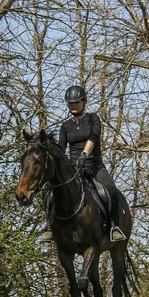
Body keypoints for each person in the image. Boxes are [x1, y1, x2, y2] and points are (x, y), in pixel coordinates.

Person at [52, 85, 126, 242]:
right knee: (50, 190)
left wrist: (84, 154)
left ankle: (114, 226)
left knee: (111, 189)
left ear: (84, 102)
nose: (73, 105)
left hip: (93, 165)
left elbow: (93, 137)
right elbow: (61, 147)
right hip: (73, 168)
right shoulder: (65, 126)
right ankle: (50, 227)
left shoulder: (93, 119)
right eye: (70, 103)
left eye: (76, 102)